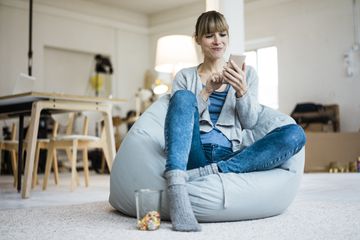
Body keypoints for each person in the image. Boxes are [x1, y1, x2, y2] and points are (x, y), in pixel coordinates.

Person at [163, 10, 306, 232]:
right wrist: (207, 91)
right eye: (210, 35)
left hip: (231, 154)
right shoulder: (185, 76)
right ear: (198, 40)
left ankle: (210, 172)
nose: (217, 41)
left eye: (222, 34)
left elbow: (250, 122)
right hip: (194, 151)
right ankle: (176, 184)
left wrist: (241, 91)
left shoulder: (248, 75)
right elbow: (181, 118)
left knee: (296, 134)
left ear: (228, 37)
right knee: (182, 97)